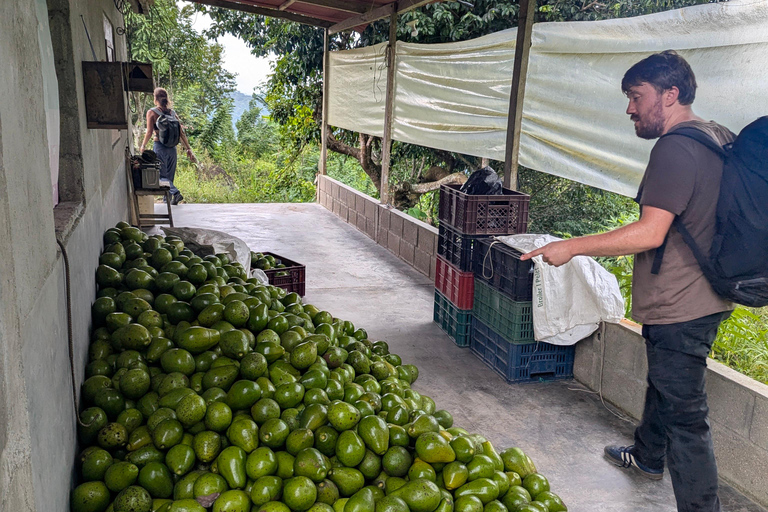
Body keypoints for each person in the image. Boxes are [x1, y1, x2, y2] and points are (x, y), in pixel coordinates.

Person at [521, 50, 734, 512]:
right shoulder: (716, 136)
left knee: (686, 417)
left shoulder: (675, 147)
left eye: (637, 97)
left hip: (681, 302)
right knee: (665, 381)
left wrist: (572, 246)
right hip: (708, 294)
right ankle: (648, 455)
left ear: (670, 94)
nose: (630, 109)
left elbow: (650, 232)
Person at [139, 87, 196, 205]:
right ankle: (168, 200)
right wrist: (188, 149)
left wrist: (143, 145)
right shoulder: (173, 113)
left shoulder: (152, 112)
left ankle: (176, 193)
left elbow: (149, 132)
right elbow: (181, 133)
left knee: (161, 176)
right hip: (172, 148)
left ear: (155, 98)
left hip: (159, 146)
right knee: (169, 176)